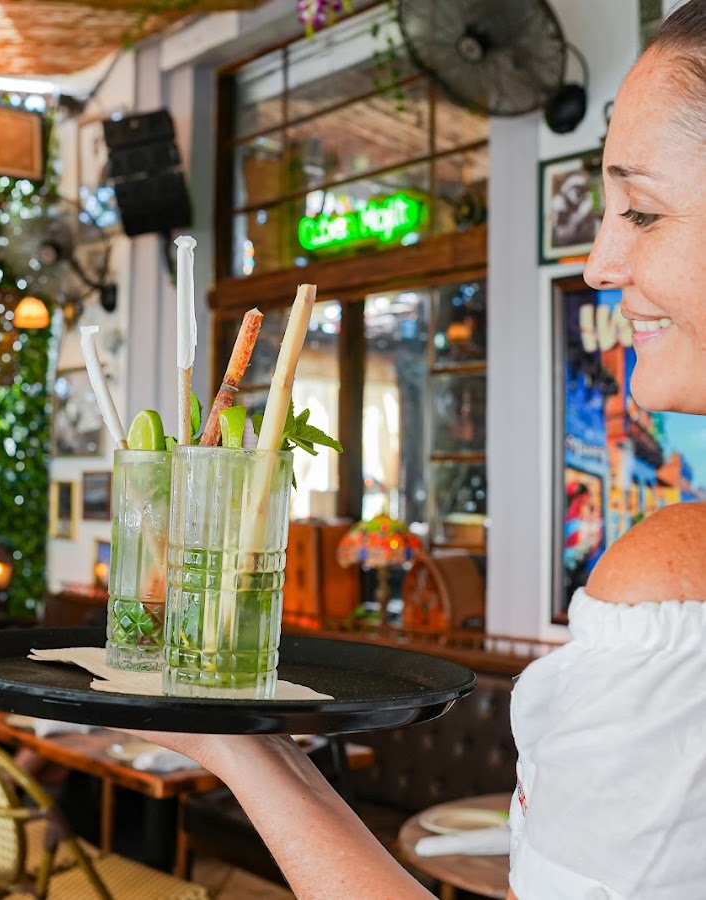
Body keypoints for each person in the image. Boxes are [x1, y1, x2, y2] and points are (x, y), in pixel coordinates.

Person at [126, 3, 706, 898]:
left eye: (641, 210)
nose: (596, 263)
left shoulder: (670, 586)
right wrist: (242, 743)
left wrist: (241, 753)